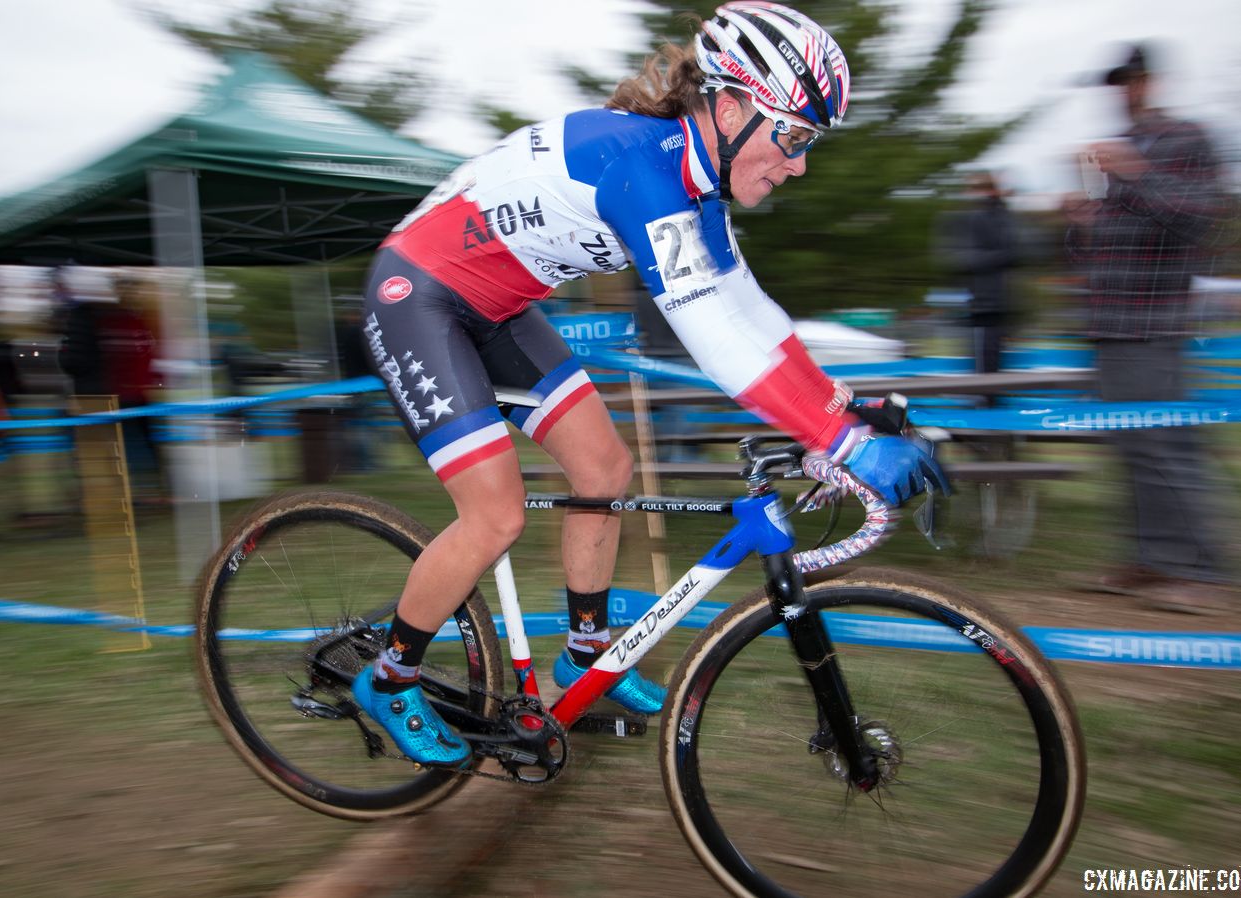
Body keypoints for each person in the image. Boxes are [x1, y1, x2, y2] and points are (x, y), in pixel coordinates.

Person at [355, 1, 945, 766]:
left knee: (605, 469)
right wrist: (841, 442)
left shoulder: (695, 187)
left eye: (809, 143)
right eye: (793, 136)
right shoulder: (646, 166)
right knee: (494, 514)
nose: (798, 163)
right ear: (730, 108)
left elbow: (752, 316)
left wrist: (840, 410)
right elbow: (715, 340)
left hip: (496, 310)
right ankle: (390, 677)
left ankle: (584, 656)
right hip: (418, 298)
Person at [1063, 43, 1236, 612]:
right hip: (1110, 321)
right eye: (1116, 83)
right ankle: (1154, 560)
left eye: (1132, 81)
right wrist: (1079, 223)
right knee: (1134, 446)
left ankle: (1202, 572)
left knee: (1167, 445)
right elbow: (1102, 245)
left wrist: (1132, 172)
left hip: (1153, 319)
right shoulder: (1127, 151)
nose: (1124, 91)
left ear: (1151, 83)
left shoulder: (1185, 138)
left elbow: (1198, 216)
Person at [935, 171, 1020, 373]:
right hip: (982, 300)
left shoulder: (991, 217)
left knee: (986, 360)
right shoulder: (989, 216)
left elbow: (1010, 253)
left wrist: (965, 259)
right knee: (984, 358)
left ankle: (985, 398)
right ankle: (985, 395)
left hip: (987, 301)